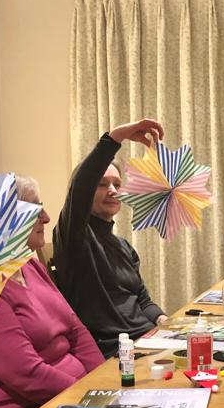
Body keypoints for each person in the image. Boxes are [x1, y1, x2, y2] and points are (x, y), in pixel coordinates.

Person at [0, 176, 103, 408]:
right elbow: (25, 374)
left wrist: (104, 383)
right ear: (4, 219)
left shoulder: (30, 264)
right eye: (35, 210)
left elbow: (76, 330)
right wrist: (89, 398)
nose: (46, 218)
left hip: (66, 398)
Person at [52, 119, 169, 358]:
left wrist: (163, 320)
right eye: (102, 185)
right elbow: (80, 188)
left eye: (117, 184)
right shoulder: (74, 237)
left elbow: (142, 300)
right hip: (115, 352)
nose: (113, 191)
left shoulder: (124, 246)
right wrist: (116, 137)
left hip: (148, 340)